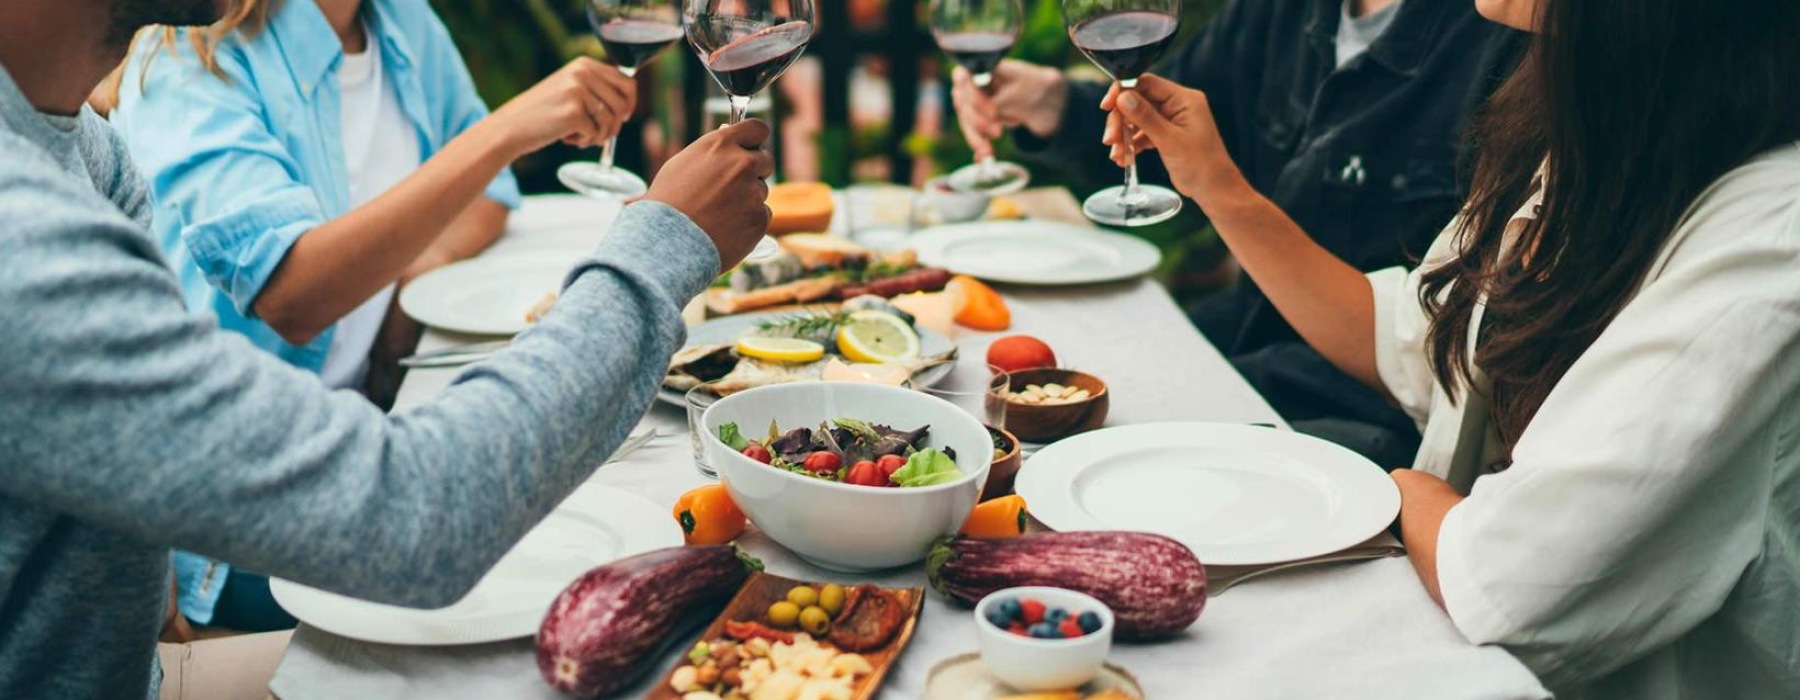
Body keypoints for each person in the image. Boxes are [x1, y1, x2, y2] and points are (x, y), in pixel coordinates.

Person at [0, 0, 774, 695]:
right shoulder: (25, 242)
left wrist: (402, 296)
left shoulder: (81, 147)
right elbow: (414, 514)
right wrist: (661, 246)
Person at [1104, 0, 1799, 695]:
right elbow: (1420, 343)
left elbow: (1510, 580)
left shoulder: (1768, 243)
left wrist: (1402, 490)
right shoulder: (1617, 122)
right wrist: (1218, 187)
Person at [104, 0, 637, 636]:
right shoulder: (190, 60)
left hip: (367, 435)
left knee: (597, 534)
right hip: (239, 510)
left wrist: (409, 277)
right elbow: (291, 296)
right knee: (555, 580)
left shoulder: (397, 20)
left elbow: (486, 197)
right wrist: (503, 132)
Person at [953, 0, 1523, 467]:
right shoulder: (1279, 14)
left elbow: (1442, 352)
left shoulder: (1509, 37)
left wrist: (1222, 189)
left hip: (1368, 416)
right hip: (1248, 336)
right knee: (1022, 398)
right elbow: (1171, 136)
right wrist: (1052, 102)